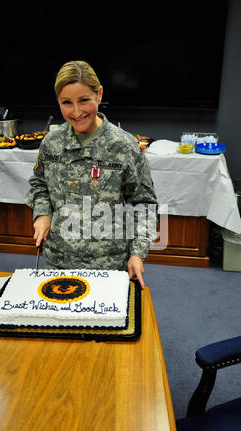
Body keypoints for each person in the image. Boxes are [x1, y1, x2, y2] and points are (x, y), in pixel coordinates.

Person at [25, 60, 157, 289]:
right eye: (67, 103)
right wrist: (42, 214)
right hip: (59, 261)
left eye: (84, 100)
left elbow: (143, 204)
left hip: (110, 265)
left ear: (99, 94)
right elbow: (40, 185)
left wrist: (137, 254)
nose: (76, 112)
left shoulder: (124, 145)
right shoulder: (51, 143)